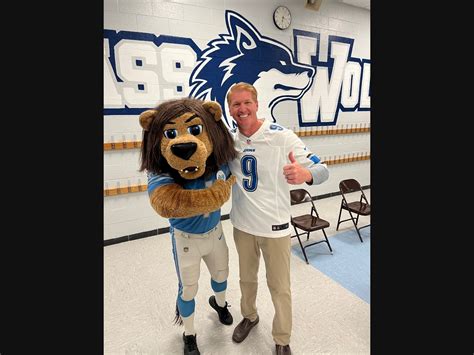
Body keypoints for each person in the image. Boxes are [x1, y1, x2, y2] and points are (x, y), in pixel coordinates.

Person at [226, 82, 329, 355]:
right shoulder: (229, 141)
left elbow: (323, 169)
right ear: (230, 109)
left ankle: (282, 339)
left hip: (275, 228)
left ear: (257, 104)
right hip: (242, 225)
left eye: (247, 102)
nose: (242, 108)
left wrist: (306, 175)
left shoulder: (281, 136)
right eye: (236, 104)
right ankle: (249, 316)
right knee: (246, 279)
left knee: (280, 287)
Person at [138, 98, 238, 355]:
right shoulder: (160, 172)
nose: (183, 142)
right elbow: (168, 204)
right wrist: (219, 193)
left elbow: (236, 168)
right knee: (189, 287)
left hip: (216, 233)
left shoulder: (219, 162)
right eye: (171, 133)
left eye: (195, 130)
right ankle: (189, 333)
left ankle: (220, 304)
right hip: (186, 239)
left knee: (221, 275)